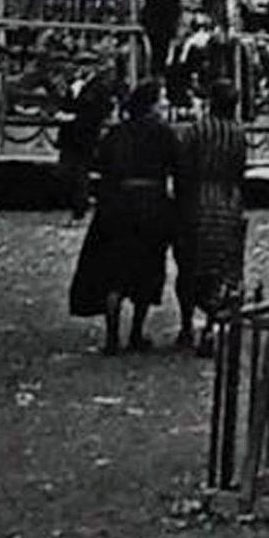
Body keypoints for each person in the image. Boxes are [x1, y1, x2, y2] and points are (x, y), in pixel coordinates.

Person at [67, 81, 179, 354]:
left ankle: (112, 336)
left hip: (117, 205)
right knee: (146, 269)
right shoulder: (164, 133)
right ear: (152, 104)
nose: (164, 105)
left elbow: (100, 163)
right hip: (151, 205)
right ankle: (136, 333)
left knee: (114, 272)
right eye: (161, 100)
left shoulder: (117, 133)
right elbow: (178, 165)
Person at [171, 80, 248, 354]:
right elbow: (240, 169)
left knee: (189, 265)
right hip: (228, 202)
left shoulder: (196, 131)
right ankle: (212, 325)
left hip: (196, 202)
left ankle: (186, 325)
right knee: (223, 267)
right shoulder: (238, 134)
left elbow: (182, 168)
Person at [57, 57, 120, 219]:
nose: (82, 69)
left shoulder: (99, 87)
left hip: (85, 136)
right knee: (68, 171)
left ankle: (79, 208)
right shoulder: (76, 85)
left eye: (85, 65)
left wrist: (75, 118)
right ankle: (73, 204)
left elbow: (97, 112)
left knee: (80, 172)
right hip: (70, 136)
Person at [139, 0, 185, 78]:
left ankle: (158, 75)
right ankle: (158, 76)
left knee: (159, 55)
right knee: (159, 55)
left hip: (158, 31)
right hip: (159, 31)